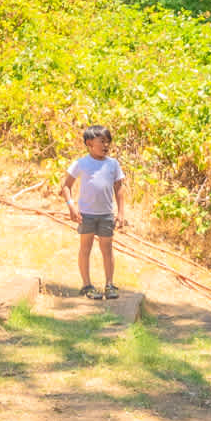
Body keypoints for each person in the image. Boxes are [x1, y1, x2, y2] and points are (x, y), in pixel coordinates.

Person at [61, 124, 129, 299]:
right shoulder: (81, 163)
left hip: (106, 214)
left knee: (107, 249)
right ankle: (87, 285)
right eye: (102, 142)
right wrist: (71, 206)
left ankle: (109, 284)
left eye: (108, 142)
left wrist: (121, 213)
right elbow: (66, 186)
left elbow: (119, 188)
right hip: (87, 215)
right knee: (86, 248)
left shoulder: (113, 164)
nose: (106, 146)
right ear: (90, 143)